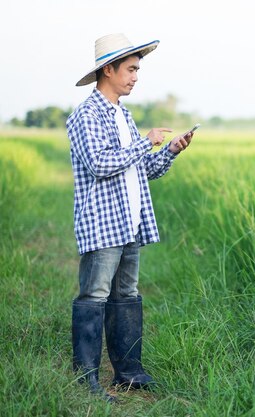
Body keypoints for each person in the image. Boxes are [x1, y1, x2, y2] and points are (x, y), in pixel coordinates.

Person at [66, 33, 193, 401]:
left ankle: (129, 373)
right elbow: (101, 163)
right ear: (109, 69)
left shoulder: (123, 114)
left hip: (130, 221)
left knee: (126, 294)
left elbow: (139, 169)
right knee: (94, 295)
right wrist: (145, 140)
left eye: (138, 69)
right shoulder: (86, 115)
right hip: (103, 224)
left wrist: (168, 150)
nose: (136, 76)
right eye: (131, 69)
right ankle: (86, 379)